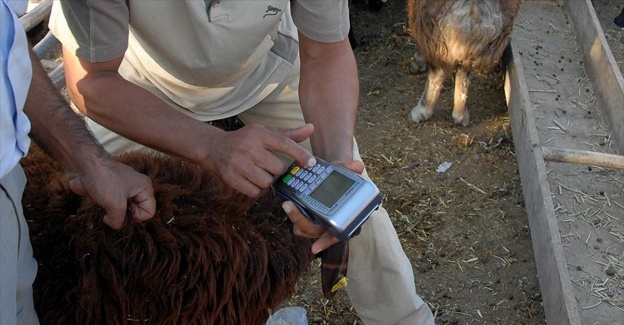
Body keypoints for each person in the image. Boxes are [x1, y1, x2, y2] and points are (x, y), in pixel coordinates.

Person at [49, 1, 435, 324]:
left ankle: (404, 319)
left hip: (266, 70)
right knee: (108, 226)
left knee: (354, 205)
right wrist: (211, 146)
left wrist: (334, 166)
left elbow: (326, 52)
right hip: (138, 90)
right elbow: (92, 82)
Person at [0, 1, 157, 324]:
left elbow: (5, 40)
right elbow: (91, 82)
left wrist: (89, 161)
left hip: (7, 174)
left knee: (20, 305)